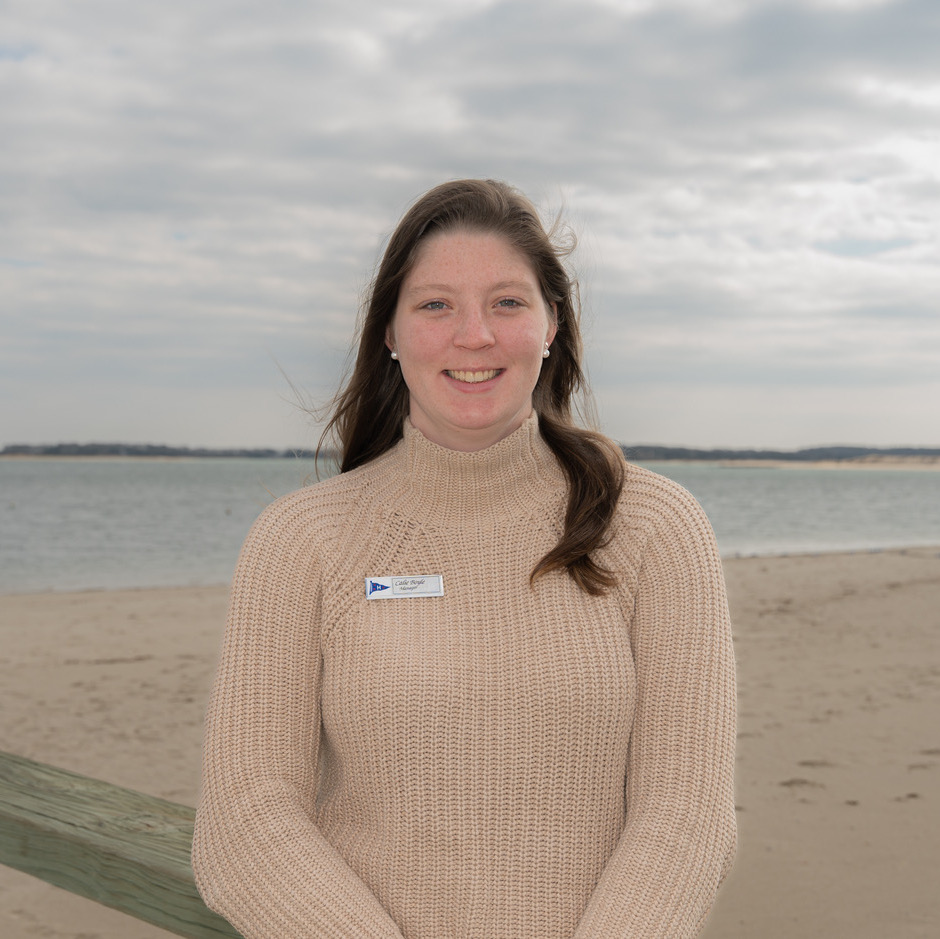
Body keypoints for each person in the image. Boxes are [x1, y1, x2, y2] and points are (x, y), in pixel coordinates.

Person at [192, 179, 736, 939]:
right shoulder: (302, 538)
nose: (474, 334)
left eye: (508, 302)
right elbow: (247, 818)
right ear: (390, 330)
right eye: (436, 304)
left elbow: (685, 812)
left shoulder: (652, 526)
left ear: (552, 325)